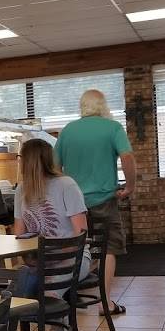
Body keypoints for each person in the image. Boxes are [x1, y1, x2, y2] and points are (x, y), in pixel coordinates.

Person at [55, 88, 136, 317]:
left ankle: (66, 295)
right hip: (104, 200)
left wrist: (63, 193)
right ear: (103, 106)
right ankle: (105, 302)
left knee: (73, 247)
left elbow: (54, 167)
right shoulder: (112, 128)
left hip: (73, 204)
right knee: (108, 249)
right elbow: (127, 156)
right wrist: (130, 186)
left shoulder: (67, 131)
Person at [13, 138, 89, 331]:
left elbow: (81, 233)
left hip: (73, 258)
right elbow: (19, 234)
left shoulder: (66, 185)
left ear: (27, 161)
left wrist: (52, 257)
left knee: (47, 289)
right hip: (40, 260)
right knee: (15, 290)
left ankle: (58, 330)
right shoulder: (21, 190)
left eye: (20, 158)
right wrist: (32, 259)